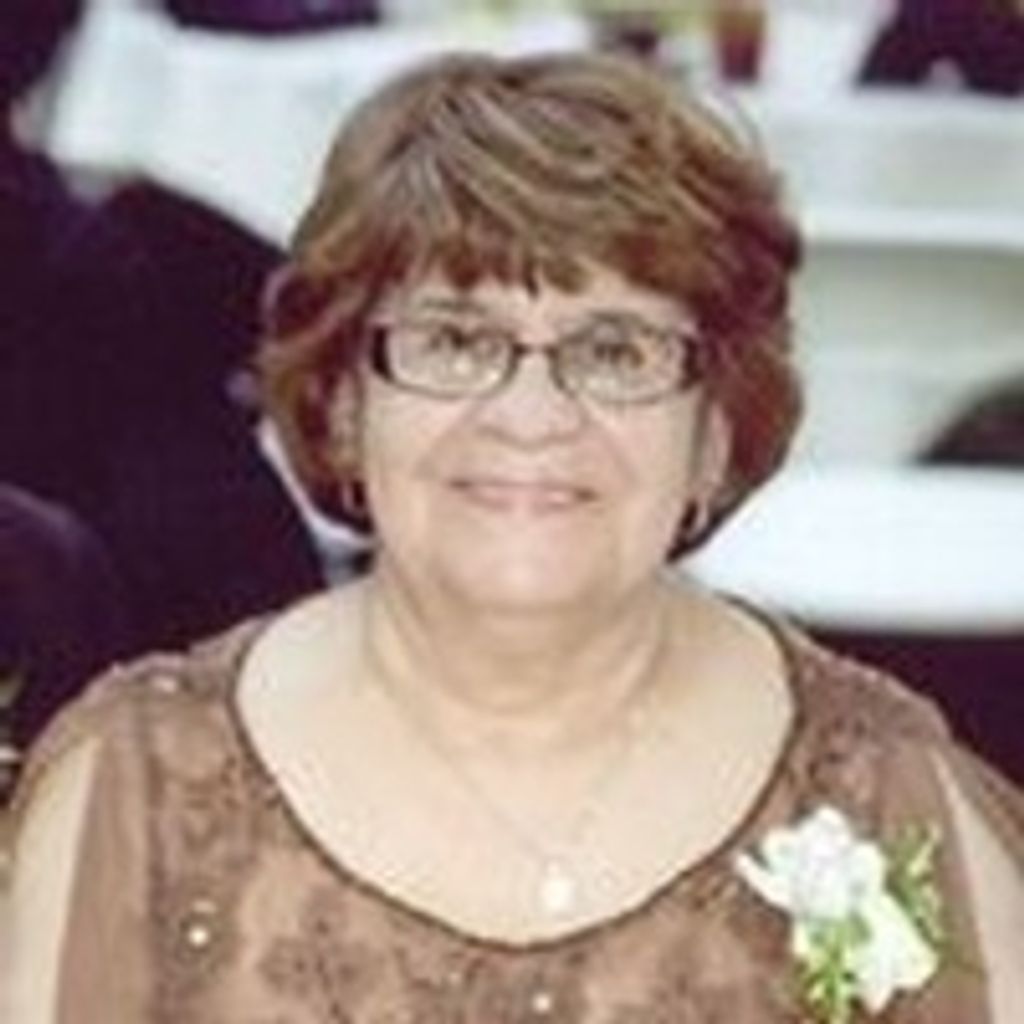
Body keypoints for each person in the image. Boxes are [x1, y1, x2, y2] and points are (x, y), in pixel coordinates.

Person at [7, 51, 1023, 1021]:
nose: (530, 417)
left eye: (615, 350)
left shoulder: (885, 799)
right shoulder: (136, 798)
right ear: (344, 403)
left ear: (715, 428)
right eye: (455, 340)